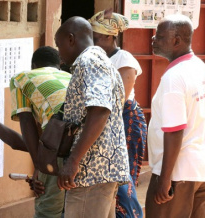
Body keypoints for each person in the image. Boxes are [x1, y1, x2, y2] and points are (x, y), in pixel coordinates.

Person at [0, 46, 72, 218]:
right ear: (59, 65)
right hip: (85, 148)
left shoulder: (22, 79)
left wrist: (39, 169)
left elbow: (26, 124)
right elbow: (23, 142)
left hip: (60, 150)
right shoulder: (69, 78)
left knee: (47, 212)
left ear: (34, 65)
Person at [55, 16, 130, 218]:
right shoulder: (97, 61)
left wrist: (73, 160)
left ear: (71, 39)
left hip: (92, 172)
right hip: (99, 172)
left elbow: (100, 110)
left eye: (59, 45)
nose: (59, 53)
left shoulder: (90, 62)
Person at [146, 14, 205, 218]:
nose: (153, 40)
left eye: (159, 36)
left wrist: (165, 178)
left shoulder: (174, 77)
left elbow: (175, 130)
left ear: (176, 40)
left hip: (179, 173)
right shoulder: (201, 69)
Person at [89, 9, 147, 218]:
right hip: (107, 121)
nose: (91, 42)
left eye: (95, 38)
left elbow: (118, 100)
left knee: (123, 177)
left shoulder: (124, 59)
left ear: (108, 36)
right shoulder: (96, 58)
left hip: (124, 119)